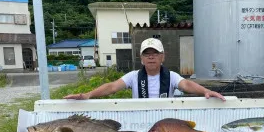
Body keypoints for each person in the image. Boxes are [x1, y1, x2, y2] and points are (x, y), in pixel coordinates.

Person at [64, 38, 226, 101]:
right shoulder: (133, 76)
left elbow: (187, 85)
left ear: (163, 56)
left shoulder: (172, 76)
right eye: (146, 54)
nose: (151, 57)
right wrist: (88, 95)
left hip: (164, 121)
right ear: (141, 58)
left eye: (155, 53)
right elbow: (112, 87)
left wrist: (206, 91)